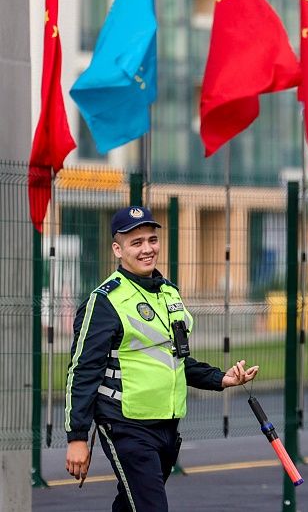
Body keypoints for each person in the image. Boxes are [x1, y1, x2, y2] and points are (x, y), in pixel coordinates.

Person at [64, 205, 259, 511]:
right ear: (118, 249)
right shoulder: (104, 301)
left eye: (152, 240)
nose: (147, 249)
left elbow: (176, 360)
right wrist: (77, 437)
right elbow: (83, 371)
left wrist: (221, 378)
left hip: (167, 427)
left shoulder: (169, 293)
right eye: (136, 242)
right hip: (125, 425)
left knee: (132, 504)